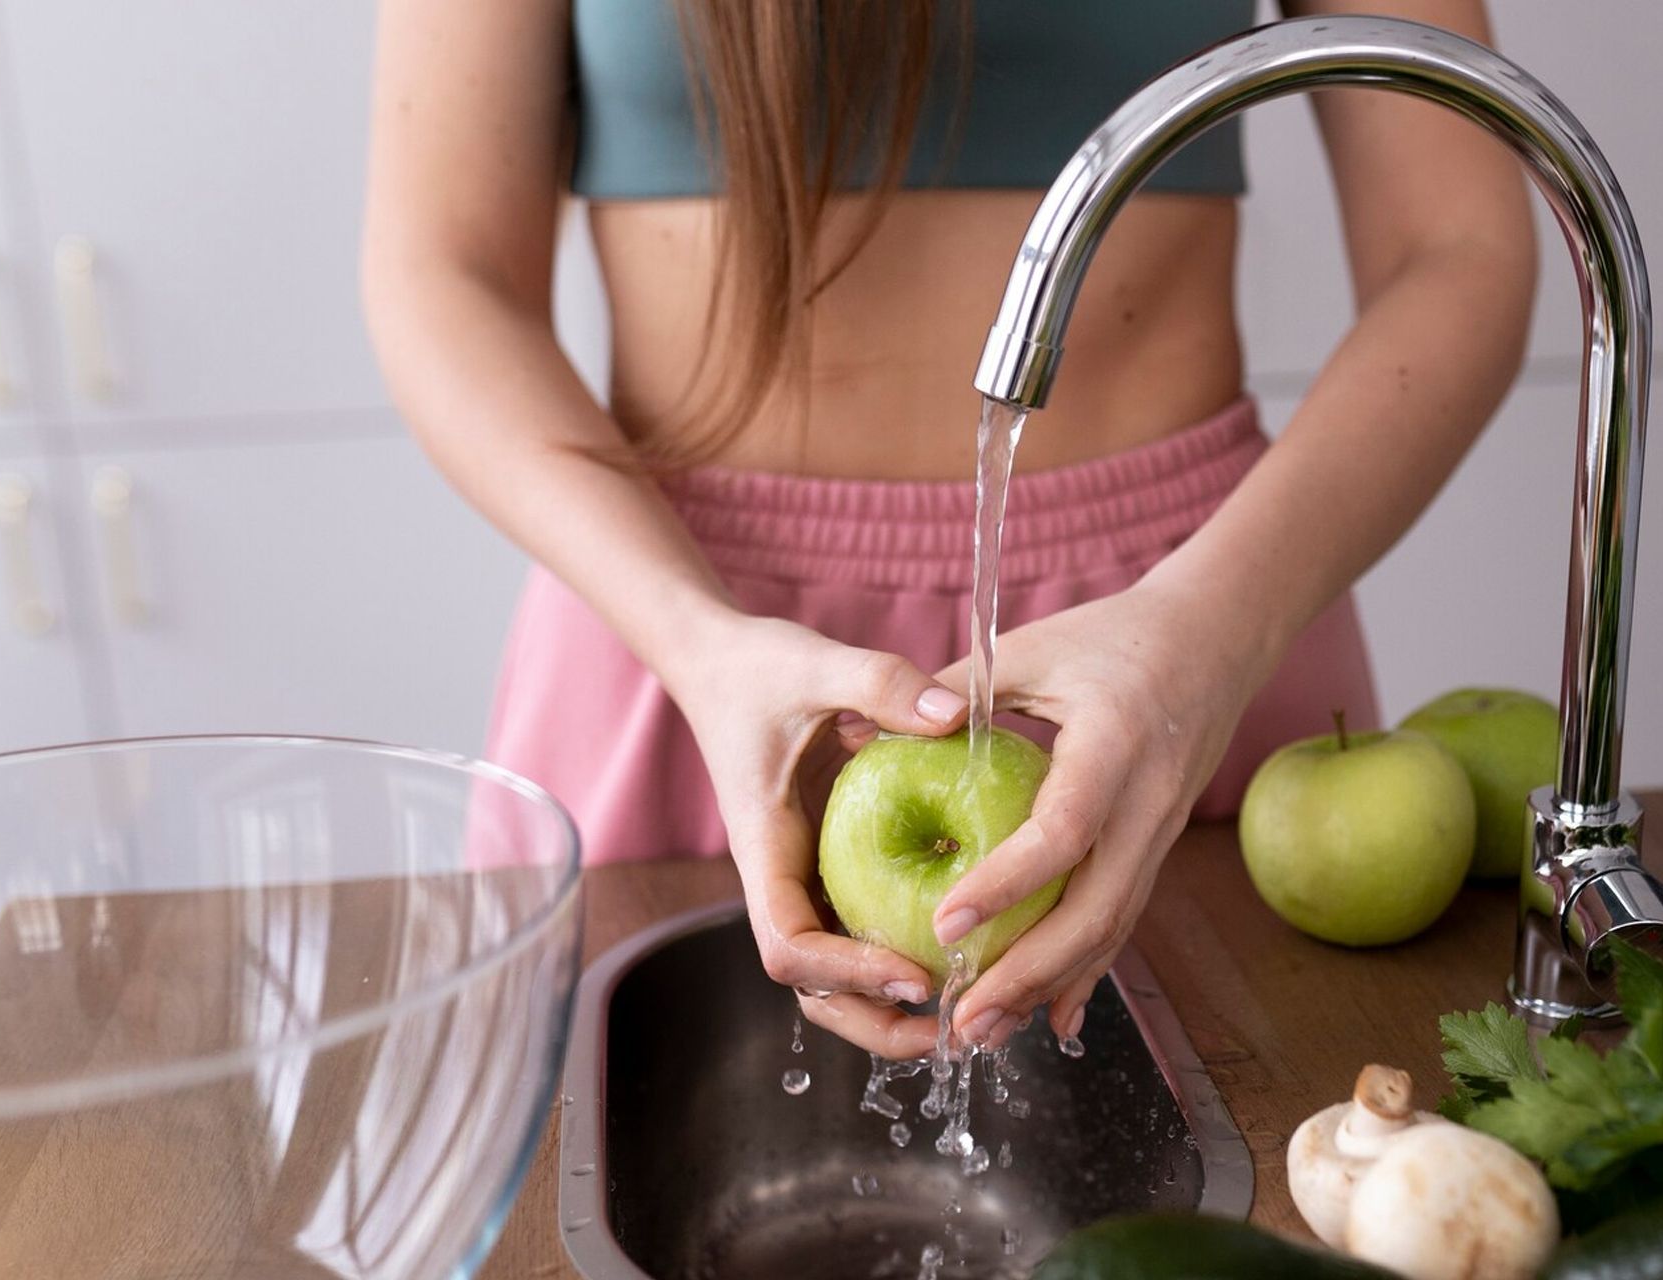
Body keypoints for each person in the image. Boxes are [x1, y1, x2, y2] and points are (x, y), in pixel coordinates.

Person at [362, 0, 1536, 1061]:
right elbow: (445, 265)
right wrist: (697, 641)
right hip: (679, 635)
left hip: (1184, 624)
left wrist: (1212, 624)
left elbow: (1459, 245)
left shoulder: (1198, 634)